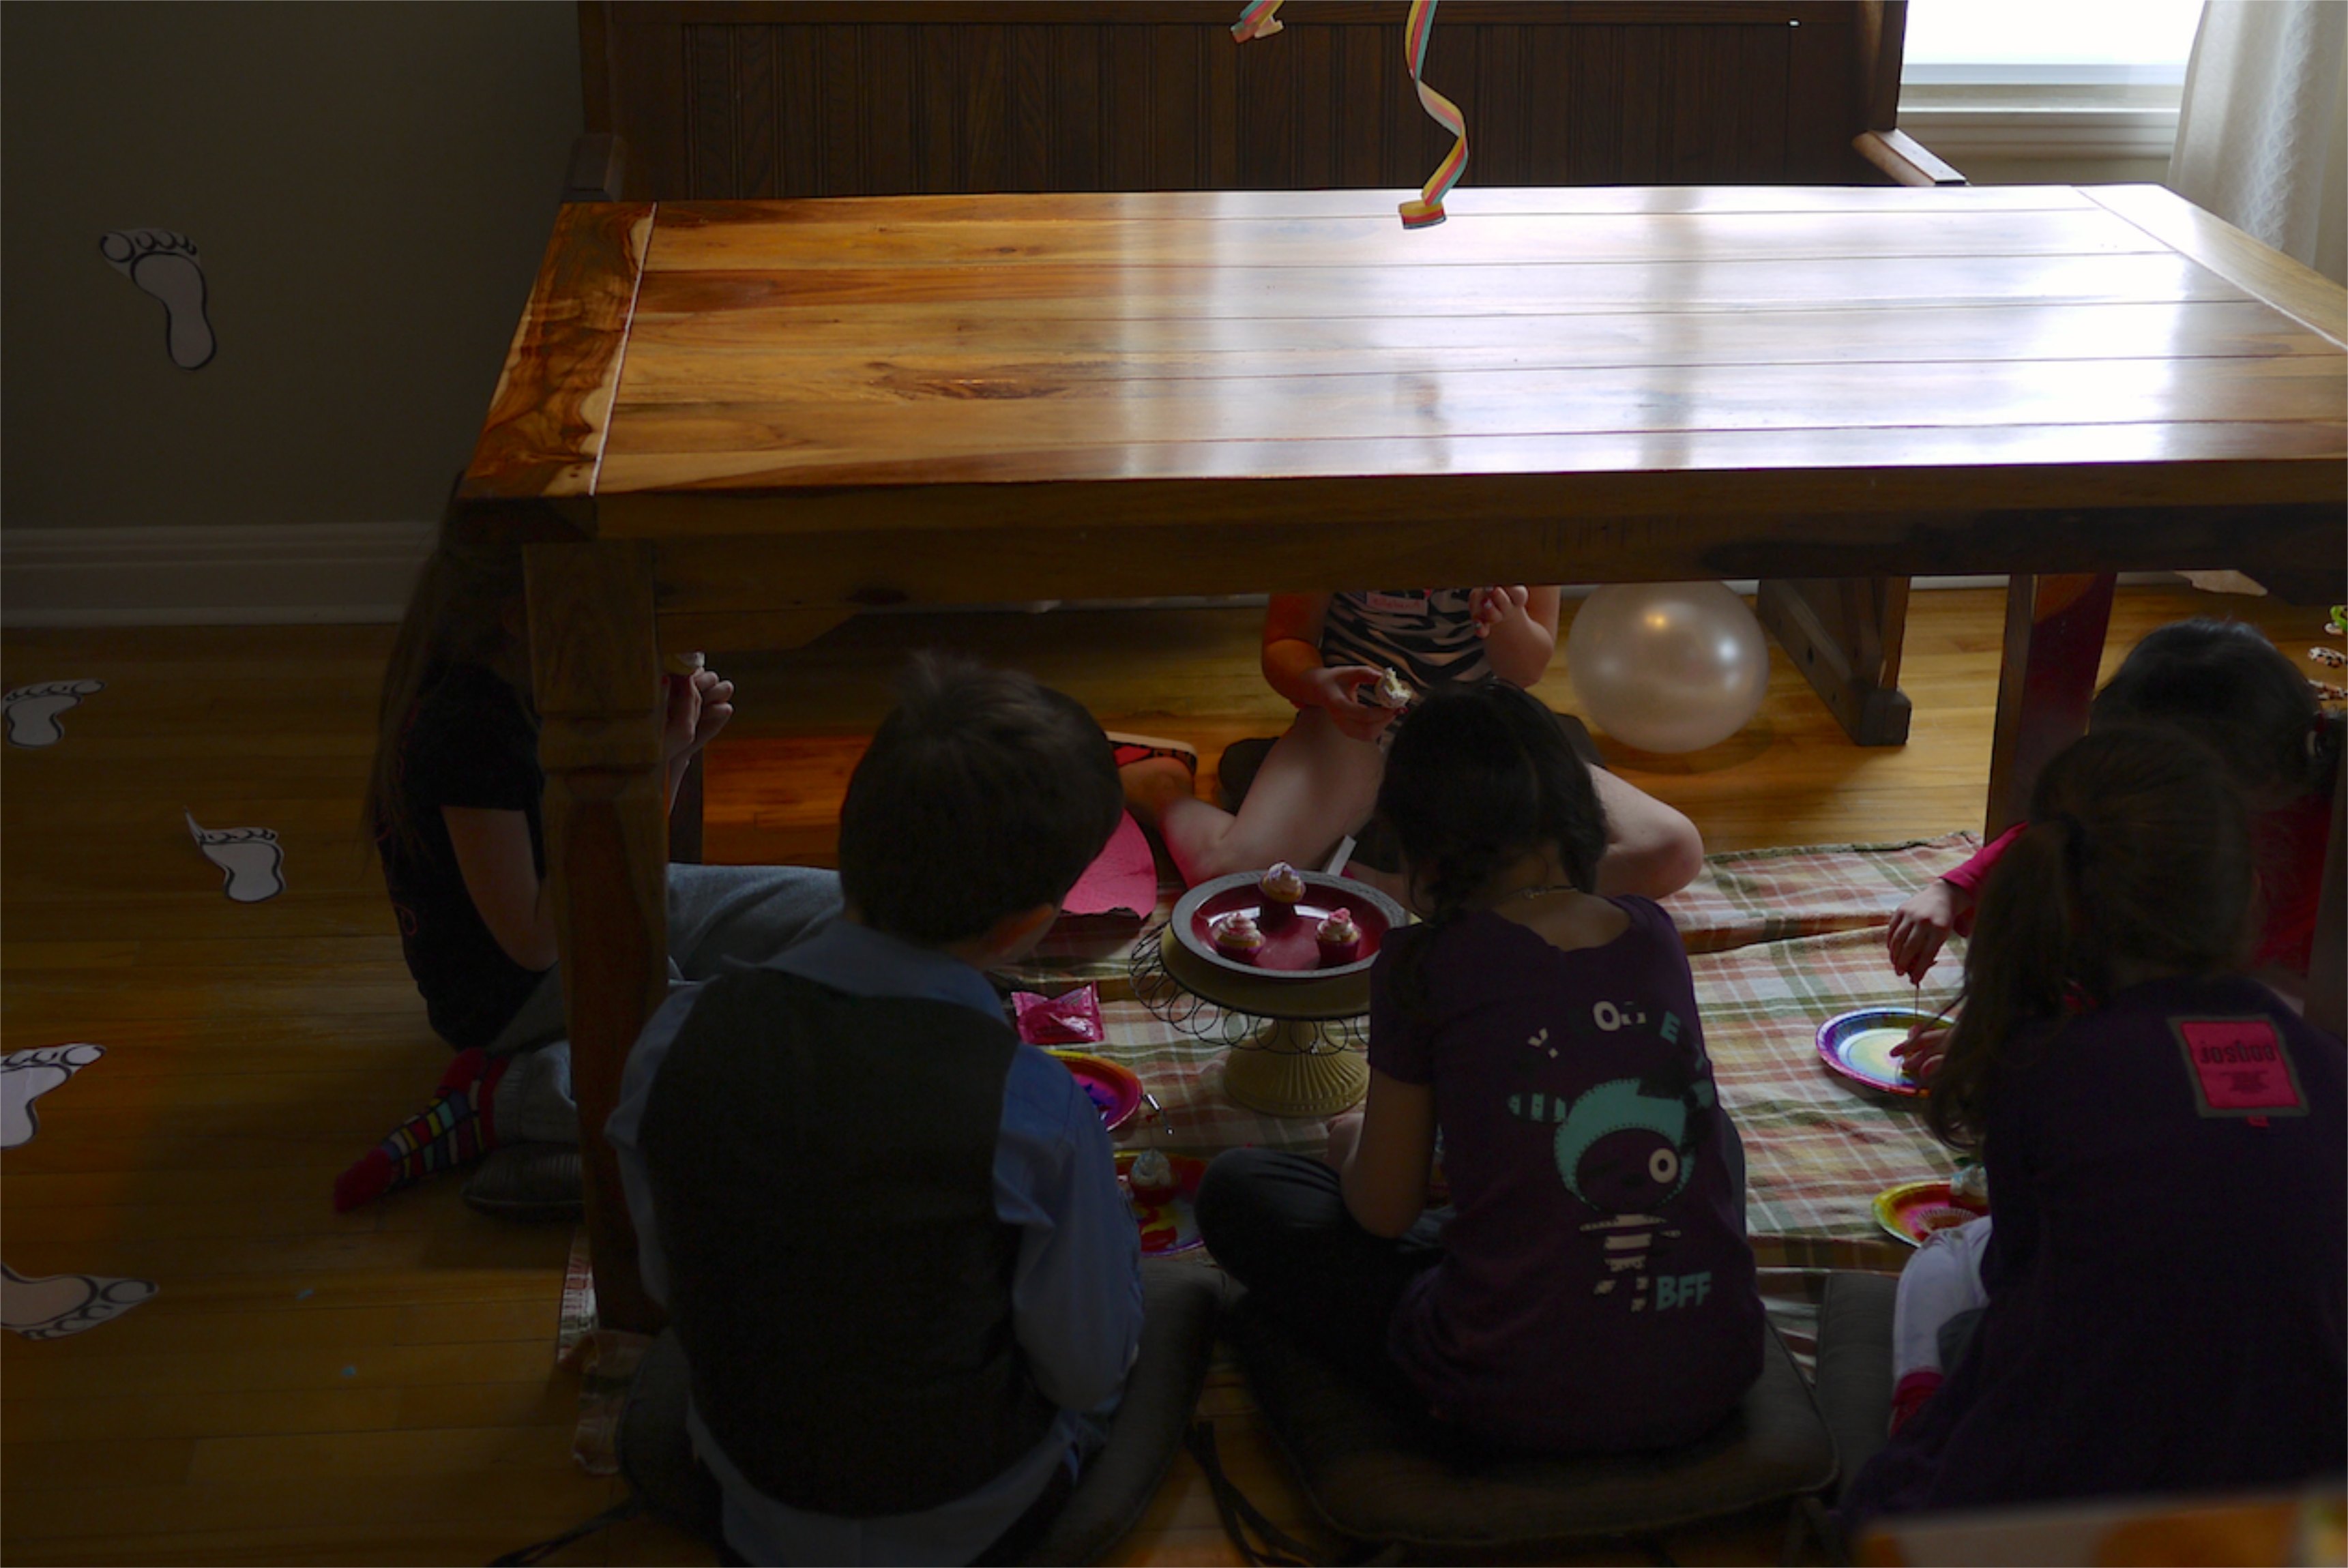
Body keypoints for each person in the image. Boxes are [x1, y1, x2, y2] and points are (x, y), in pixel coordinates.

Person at [606, 654, 1143, 1566]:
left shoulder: (673, 1037)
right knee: (1167, 1316)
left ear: (846, 849)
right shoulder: (1035, 1106)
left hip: (755, 1486)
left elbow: (668, 1277)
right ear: (1024, 927)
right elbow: (1082, 1367)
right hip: (974, 1507)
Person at [1194, 679, 1765, 1453]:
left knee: (1241, 1189)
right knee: (1713, 1134)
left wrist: (1349, 1145)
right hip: (1712, 1373)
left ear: (1419, 844)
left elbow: (1381, 1213)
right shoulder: (1651, 932)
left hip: (1503, 1395)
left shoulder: (1422, 964)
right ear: (1580, 815)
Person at [1840, 728, 2346, 1536]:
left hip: (2087, 1495)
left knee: (1942, 1267)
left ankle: (1914, 1424)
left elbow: (2021, 1291)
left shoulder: (2045, 1071)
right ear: (2249, 893)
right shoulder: (2326, 1060)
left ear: (2055, 901)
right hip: (2303, 1499)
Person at [336, 507, 842, 1218]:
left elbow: (621, 854)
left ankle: (603, 1110)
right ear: (523, 614)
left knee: (852, 915)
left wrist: (669, 753)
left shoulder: (556, 662)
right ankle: (511, 1100)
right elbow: (535, 939)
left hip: (600, 904)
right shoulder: (465, 730)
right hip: (518, 991)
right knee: (778, 1054)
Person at [1117, 589, 1705, 902]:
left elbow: (1525, 669)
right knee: (1231, 876)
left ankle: (1401, 896)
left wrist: (1509, 618)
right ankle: (1165, 790)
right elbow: (1286, 642)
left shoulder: (1516, 501)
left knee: (1672, 848)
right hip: (1360, 729)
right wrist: (1318, 684)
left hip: (1480, 734)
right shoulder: (1342, 495)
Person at [1889, 618, 2339, 1018]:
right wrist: (1952, 889)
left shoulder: (2314, 851)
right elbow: (2075, 832)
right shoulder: (2250, 788)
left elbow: (2165, 970)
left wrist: (2026, 1034)